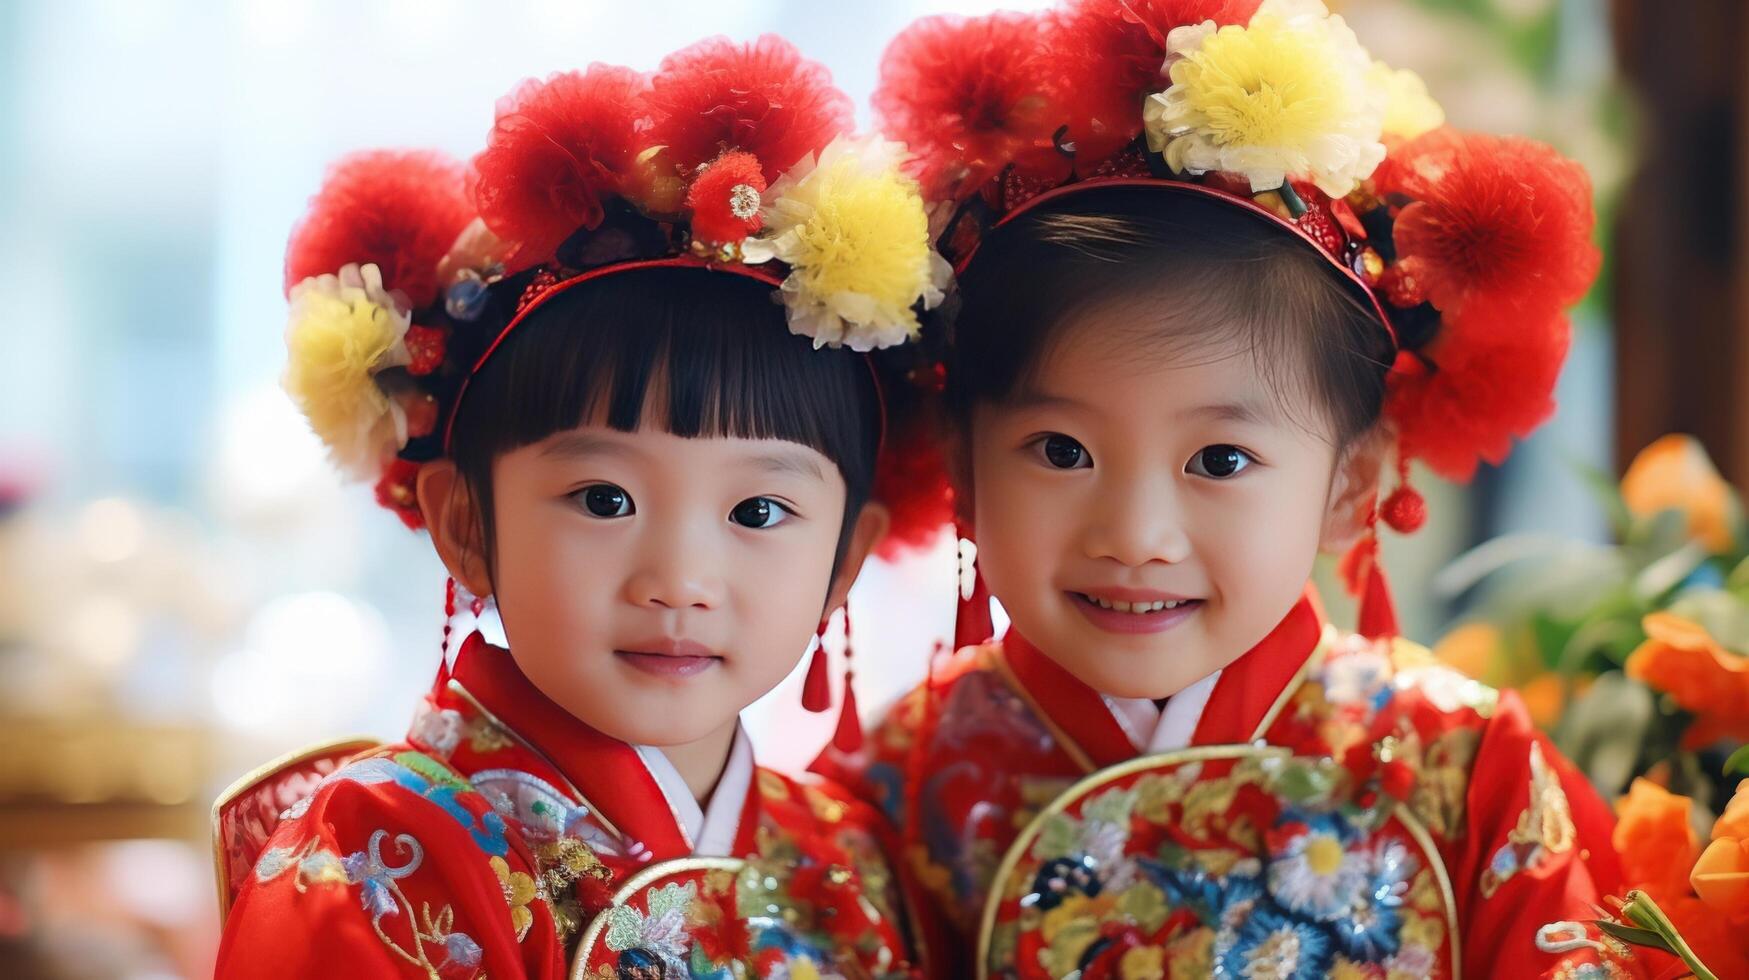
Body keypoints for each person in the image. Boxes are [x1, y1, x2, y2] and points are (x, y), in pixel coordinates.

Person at [819, 1, 1647, 975]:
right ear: (962, 464)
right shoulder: (905, 786)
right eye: (1059, 448)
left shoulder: (1461, 767)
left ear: (1351, 483)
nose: (1135, 534)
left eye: (1218, 460)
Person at [212, 33, 950, 979]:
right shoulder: (376, 863)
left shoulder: (849, 865)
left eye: (759, 513)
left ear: (846, 562)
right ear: (465, 526)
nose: (678, 581)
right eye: (604, 498)